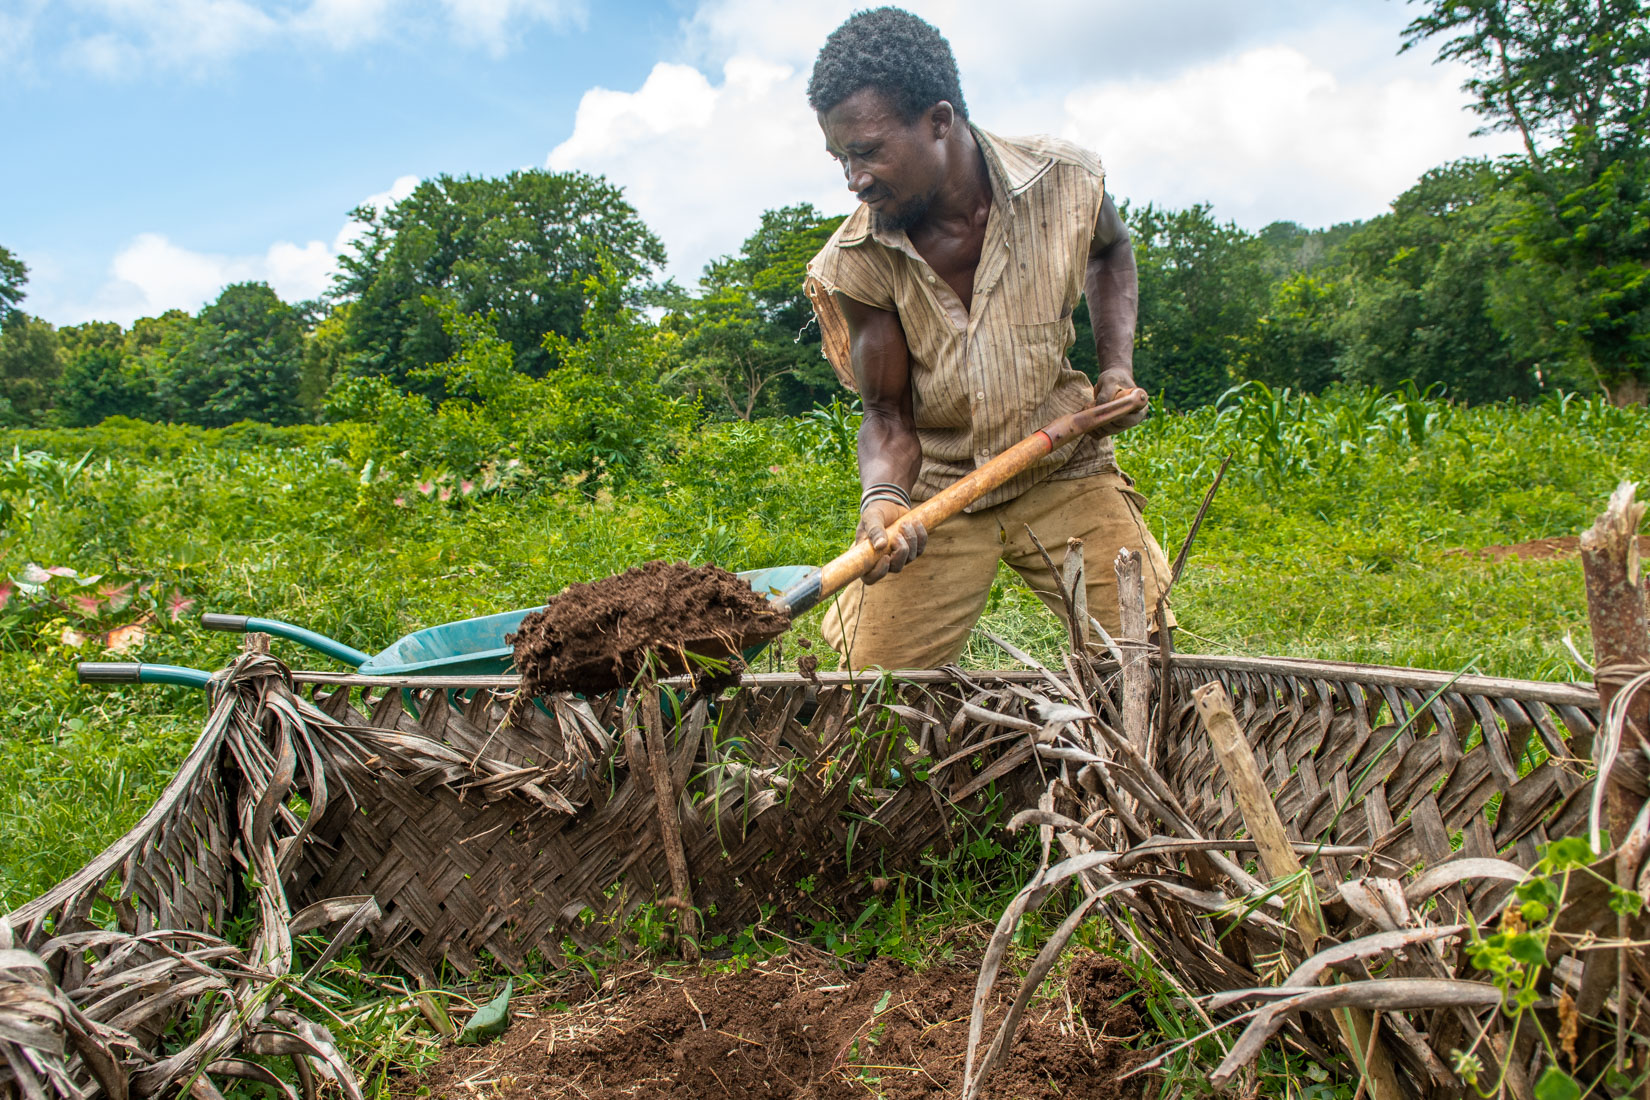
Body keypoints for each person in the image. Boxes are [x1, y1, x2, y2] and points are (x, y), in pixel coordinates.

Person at [802, 6, 1174, 670]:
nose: (853, 180)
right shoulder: (857, 259)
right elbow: (886, 415)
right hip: (939, 492)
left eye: (867, 151)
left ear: (939, 121)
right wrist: (884, 499)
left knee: (1145, 659)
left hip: (1064, 459)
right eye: (840, 157)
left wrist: (1116, 365)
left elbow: (1109, 252)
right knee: (874, 695)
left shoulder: (1064, 182)